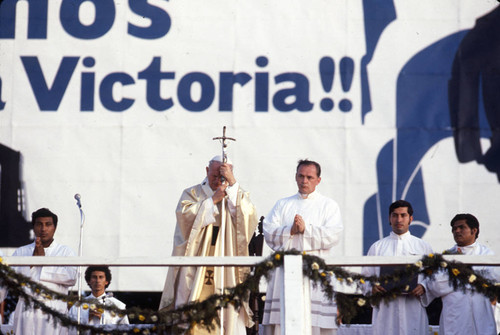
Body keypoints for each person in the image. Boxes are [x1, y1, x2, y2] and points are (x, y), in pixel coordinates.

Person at [158, 155, 259, 334]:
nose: (218, 180)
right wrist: (212, 201)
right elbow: (184, 216)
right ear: (206, 171)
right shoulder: (193, 193)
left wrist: (232, 185)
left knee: (228, 308)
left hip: (225, 262)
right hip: (196, 261)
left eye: (223, 176)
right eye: (214, 176)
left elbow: (248, 216)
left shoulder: (236, 195)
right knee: (191, 300)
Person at [262, 159, 343, 335]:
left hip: (315, 274)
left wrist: (305, 230)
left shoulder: (328, 205)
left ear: (318, 180)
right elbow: (268, 231)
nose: (304, 181)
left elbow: (333, 234)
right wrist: (289, 230)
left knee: (315, 323)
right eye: (301, 176)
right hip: (284, 272)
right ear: (295, 177)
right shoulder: (283, 204)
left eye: (309, 177)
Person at [362, 200, 433, 335]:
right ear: (389, 218)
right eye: (395, 215)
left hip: (412, 308)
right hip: (386, 310)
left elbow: (434, 277)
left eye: (403, 215)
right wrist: (372, 287)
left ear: (410, 219)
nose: (398, 219)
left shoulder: (423, 247)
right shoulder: (377, 247)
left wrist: (424, 287)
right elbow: (364, 278)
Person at [422, 213, 498, 334]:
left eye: (461, 227)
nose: (457, 231)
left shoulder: (487, 255)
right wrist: (471, 279)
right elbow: (436, 286)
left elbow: (493, 283)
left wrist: (454, 278)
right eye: (454, 228)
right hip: (454, 317)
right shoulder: (446, 257)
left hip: (481, 316)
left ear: (474, 230)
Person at [12, 207, 77, 334]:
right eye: (39, 224)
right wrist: (32, 262)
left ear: (55, 228)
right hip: (26, 310)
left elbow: (71, 277)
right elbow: (13, 281)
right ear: (33, 227)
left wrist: (42, 262)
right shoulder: (21, 251)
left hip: (54, 309)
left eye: (48, 224)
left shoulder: (65, 252)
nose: (43, 229)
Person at [69, 266, 129, 333]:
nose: (97, 281)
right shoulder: (77, 306)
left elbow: (125, 330)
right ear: (89, 281)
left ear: (106, 281)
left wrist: (103, 319)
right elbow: (70, 330)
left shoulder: (118, 305)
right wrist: (87, 319)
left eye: (101, 277)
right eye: (94, 277)